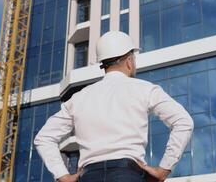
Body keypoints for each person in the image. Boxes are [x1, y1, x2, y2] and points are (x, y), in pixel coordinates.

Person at [34, 31, 194, 182]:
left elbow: (44, 137)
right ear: (129, 61)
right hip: (128, 174)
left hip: (89, 177)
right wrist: (163, 169)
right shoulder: (145, 89)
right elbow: (183, 122)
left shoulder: (78, 98)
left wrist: (62, 175)